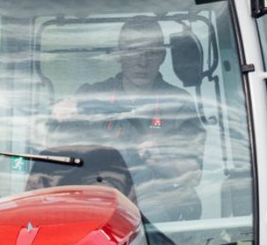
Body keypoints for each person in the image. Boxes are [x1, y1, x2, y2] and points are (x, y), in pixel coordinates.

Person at [51, 16, 205, 221]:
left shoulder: (178, 104)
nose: (143, 61)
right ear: (119, 55)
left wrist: (162, 159)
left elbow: (193, 174)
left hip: (156, 210)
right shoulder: (91, 95)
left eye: (151, 53)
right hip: (98, 202)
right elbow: (56, 150)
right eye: (134, 51)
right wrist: (58, 115)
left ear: (162, 56)